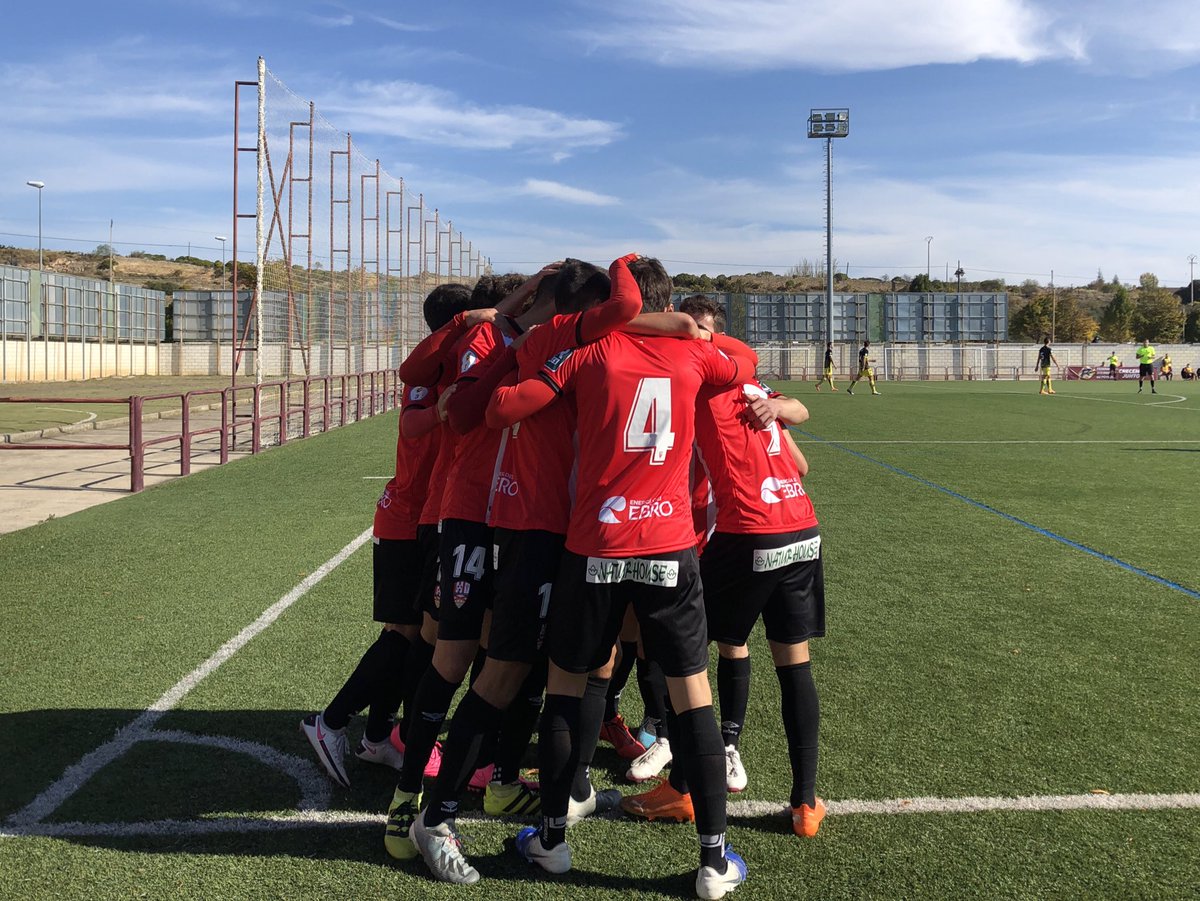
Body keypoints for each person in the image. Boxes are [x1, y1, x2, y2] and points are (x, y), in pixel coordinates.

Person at [495, 257, 752, 898]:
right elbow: (745, 363)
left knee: (567, 686)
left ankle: (552, 841)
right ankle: (714, 861)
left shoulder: (591, 348)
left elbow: (520, 396)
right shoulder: (694, 357)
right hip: (669, 544)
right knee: (693, 697)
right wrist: (696, 334)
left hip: (595, 544)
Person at [299, 283, 473, 788]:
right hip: (406, 519)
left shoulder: (448, 369)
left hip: (427, 519)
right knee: (405, 635)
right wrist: (441, 409)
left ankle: (377, 737)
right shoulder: (429, 374)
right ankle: (331, 722)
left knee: (415, 635)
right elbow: (413, 423)